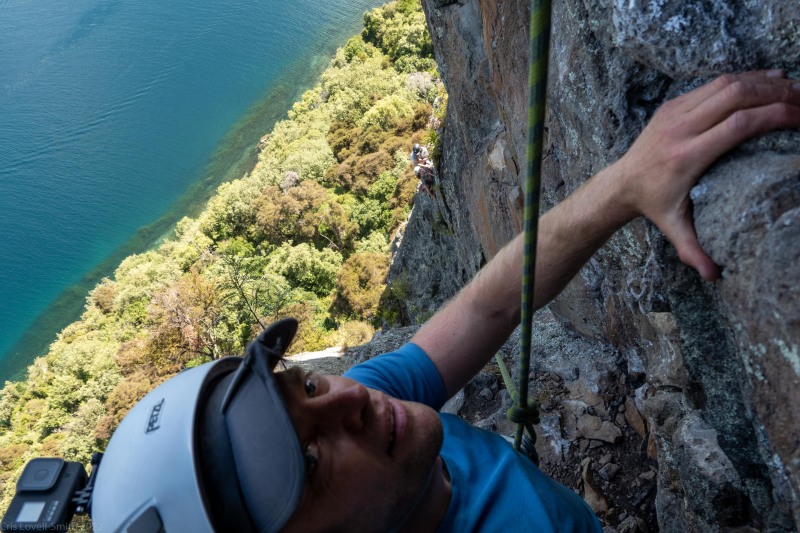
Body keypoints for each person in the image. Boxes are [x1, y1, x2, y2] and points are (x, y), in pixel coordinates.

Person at [90, 70, 800, 533]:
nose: (350, 399)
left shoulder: (376, 421)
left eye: (302, 384)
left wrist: (626, 182)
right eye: (308, 460)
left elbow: (491, 306)